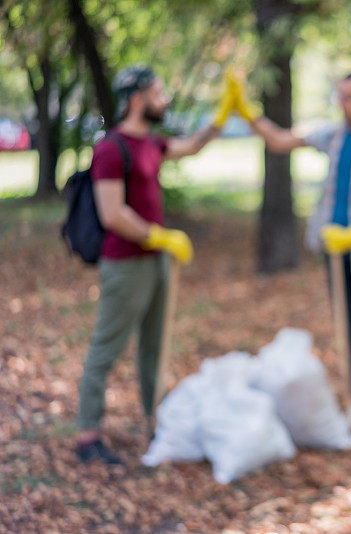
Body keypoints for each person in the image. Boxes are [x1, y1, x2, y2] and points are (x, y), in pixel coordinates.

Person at [231, 69, 351, 431]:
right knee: (346, 330)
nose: (342, 102)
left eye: (349, 96)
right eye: (340, 95)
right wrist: (246, 111)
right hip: (335, 253)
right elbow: (280, 141)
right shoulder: (332, 134)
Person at [76, 64, 236, 464]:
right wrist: (158, 235)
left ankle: (157, 421)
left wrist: (223, 114)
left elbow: (193, 146)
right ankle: (88, 435)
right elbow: (112, 213)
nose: (163, 100)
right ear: (137, 99)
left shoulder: (152, 142)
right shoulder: (111, 148)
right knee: (106, 347)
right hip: (125, 264)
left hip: (157, 263)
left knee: (155, 345)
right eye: (158, 93)